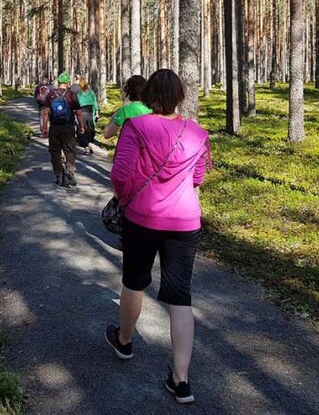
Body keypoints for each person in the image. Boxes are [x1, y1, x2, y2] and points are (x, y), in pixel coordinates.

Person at [103, 69, 211, 405]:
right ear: (181, 95)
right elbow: (199, 176)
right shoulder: (197, 132)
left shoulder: (137, 126)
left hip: (142, 218)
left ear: (149, 95)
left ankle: (125, 341)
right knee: (180, 297)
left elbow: (120, 174)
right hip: (185, 221)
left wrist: (125, 200)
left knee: (135, 282)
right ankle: (181, 380)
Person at [42, 72, 84, 186]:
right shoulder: (71, 95)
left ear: (59, 82)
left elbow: (45, 113)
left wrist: (44, 128)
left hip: (54, 127)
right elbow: (79, 113)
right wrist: (81, 126)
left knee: (55, 151)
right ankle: (70, 171)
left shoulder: (51, 94)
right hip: (68, 127)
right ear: (67, 83)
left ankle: (59, 176)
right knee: (70, 150)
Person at [103, 75, 150, 140]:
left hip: (130, 148)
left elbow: (107, 134)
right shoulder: (152, 108)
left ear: (128, 91)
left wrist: (116, 113)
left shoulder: (124, 110)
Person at [76, 78, 99, 155]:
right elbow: (95, 102)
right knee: (90, 129)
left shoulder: (78, 94)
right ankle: (90, 144)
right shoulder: (91, 93)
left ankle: (86, 147)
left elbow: (76, 106)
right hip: (90, 113)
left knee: (82, 130)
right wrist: (97, 112)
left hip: (82, 113)